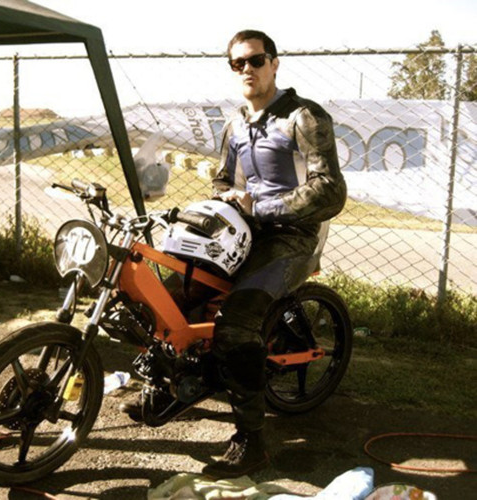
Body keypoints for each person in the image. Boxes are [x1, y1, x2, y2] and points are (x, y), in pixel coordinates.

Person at [199, 29, 347, 478]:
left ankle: (251, 442)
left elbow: (330, 190)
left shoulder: (304, 117)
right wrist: (224, 201)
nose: (247, 69)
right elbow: (223, 180)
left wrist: (260, 208)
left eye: (255, 60)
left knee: (236, 321)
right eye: (237, 63)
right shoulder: (235, 123)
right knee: (178, 292)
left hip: (293, 236)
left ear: (274, 63)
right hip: (244, 232)